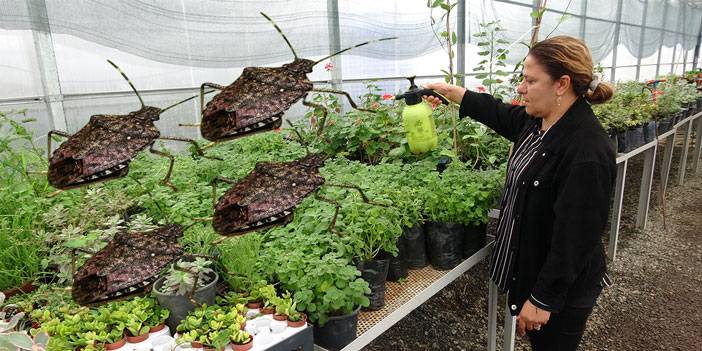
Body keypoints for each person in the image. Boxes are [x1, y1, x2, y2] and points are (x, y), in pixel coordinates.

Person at [424, 36, 615, 351]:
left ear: (561, 84)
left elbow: (575, 239)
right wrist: (455, 94)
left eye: (530, 80)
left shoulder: (587, 152)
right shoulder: (539, 122)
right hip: (536, 270)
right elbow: (500, 114)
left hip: (562, 292)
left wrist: (542, 299)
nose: (520, 88)